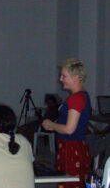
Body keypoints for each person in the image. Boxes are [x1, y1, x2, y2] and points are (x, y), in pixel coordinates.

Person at [42, 58, 92, 188]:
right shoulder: (82, 96)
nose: (60, 79)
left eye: (64, 76)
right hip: (73, 147)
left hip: (71, 148)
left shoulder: (76, 98)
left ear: (75, 77)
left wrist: (51, 125)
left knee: (69, 183)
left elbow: (69, 129)